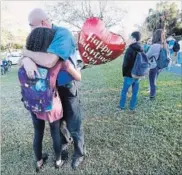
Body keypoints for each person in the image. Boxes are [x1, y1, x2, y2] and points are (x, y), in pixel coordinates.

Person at [21, 8, 85, 169]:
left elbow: (49, 61)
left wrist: (27, 54)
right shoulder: (41, 36)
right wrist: (26, 59)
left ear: (42, 23)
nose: (30, 30)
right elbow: (33, 54)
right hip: (49, 91)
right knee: (59, 123)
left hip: (66, 87)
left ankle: (79, 152)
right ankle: (63, 145)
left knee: (73, 123)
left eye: (31, 25)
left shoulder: (62, 34)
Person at [119, 31, 143, 111]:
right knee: (135, 93)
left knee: (124, 91)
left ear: (134, 39)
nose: (129, 39)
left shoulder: (130, 49)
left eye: (130, 37)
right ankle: (132, 107)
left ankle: (122, 106)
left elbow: (125, 64)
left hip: (129, 75)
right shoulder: (141, 48)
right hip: (138, 74)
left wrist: (124, 74)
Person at [146, 29, 167, 99]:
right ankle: (152, 93)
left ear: (155, 36)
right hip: (160, 66)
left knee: (152, 81)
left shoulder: (155, 46)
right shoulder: (164, 45)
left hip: (153, 66)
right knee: (154, 80)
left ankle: (152, 96)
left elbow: (147, 55)